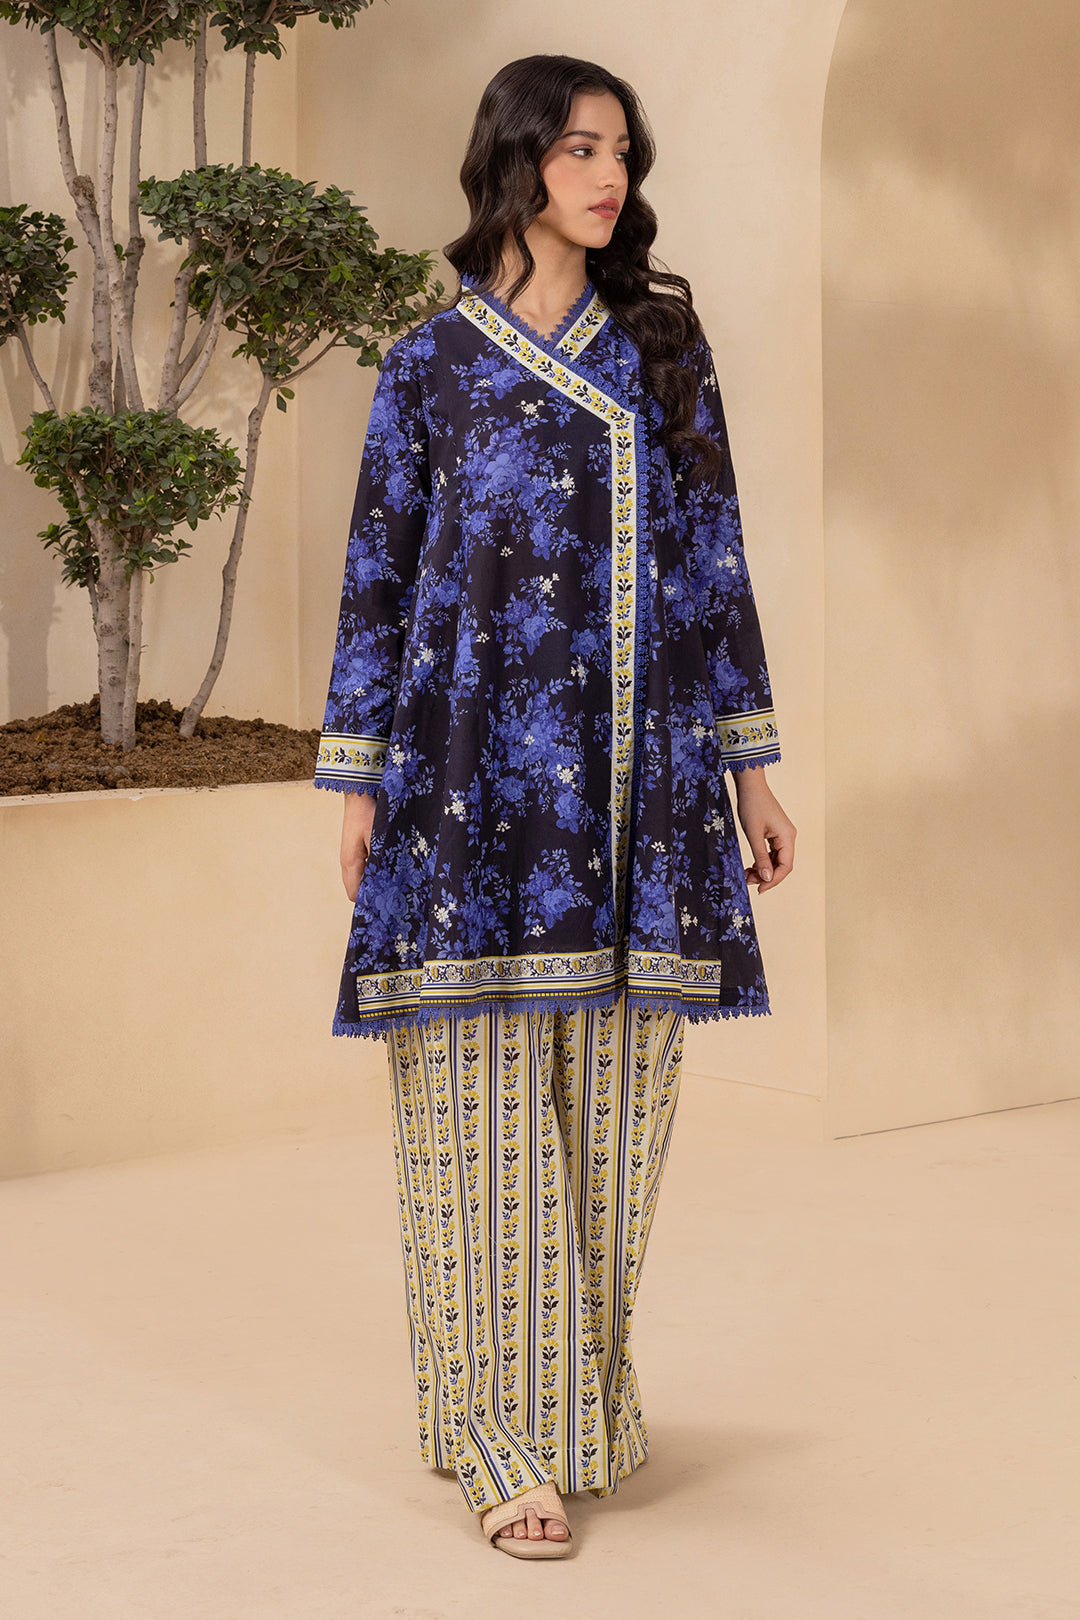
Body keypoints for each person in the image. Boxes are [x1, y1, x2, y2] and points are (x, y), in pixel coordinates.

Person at [314, 54, 796, 1559]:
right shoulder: (429, 363)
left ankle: (577, 1412)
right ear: (516, 160)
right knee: (472, 1110)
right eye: (580, 149)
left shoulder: (660, 345)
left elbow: (711, 556)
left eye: (622, 154)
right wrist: (358, 778)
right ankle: (497, 1439)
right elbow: (380, 575)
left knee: (615, 1120)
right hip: (464, 789)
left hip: (638, 786)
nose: (608, 177)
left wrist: (750, 766)